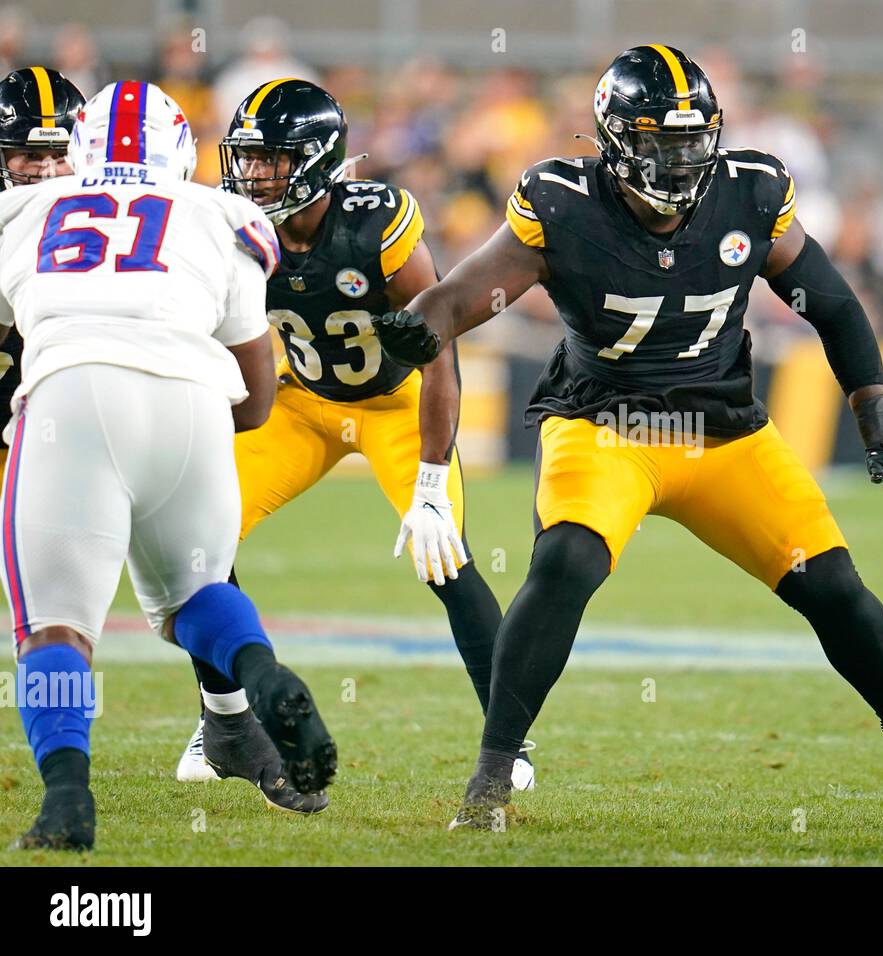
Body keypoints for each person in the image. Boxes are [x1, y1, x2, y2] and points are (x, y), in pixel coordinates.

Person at [373, 45, 883, 832]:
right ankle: (490, 781)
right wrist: (412, 328)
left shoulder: (750, 193)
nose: (683, 158)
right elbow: (459, 298)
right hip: (605, 427)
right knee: (565, 562)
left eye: (694, 140)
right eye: (663, 141)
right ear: (617, 139)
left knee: (833, 585)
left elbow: (830, 302)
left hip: (721, 432)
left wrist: (882, 427)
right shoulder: (562, 204)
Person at [171, 78, 533, 795]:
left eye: (271, 159)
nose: (253, 174)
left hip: (396, 401)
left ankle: (510, 742)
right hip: (299, 400)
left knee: (445, 559)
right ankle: (227, 721)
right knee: (197, 544)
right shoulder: (235, 227)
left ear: (316, 160)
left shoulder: (377, 224)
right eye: (248, 158)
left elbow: (440, 340)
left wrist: (431, 483)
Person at [0, 81, 336, 849]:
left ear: (78, 151)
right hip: (191, 405)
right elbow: (256, 399)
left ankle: (66, 799)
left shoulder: (22, 211)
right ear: (182, 153)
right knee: (196, 595)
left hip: (71, 399)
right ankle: (262, 675)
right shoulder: (224, 216)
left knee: (55, 627)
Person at [0, 66, 83, 469]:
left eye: (61, 154)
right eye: (31, 155)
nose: (48, 171)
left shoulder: (109, 223)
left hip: (67, 437)